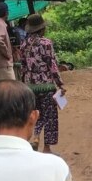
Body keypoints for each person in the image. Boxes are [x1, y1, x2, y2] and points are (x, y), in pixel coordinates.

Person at [19, 13, 66, 153]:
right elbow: (52, 65)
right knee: (50, 116)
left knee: (36, 113)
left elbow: (23, 67)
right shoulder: (46, 43)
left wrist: (23, 84)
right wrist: (60, 84)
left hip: (30, 86)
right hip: (46, 85)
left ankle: (36, 137)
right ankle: (46, 148)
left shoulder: (23, 45)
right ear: (41, 29)